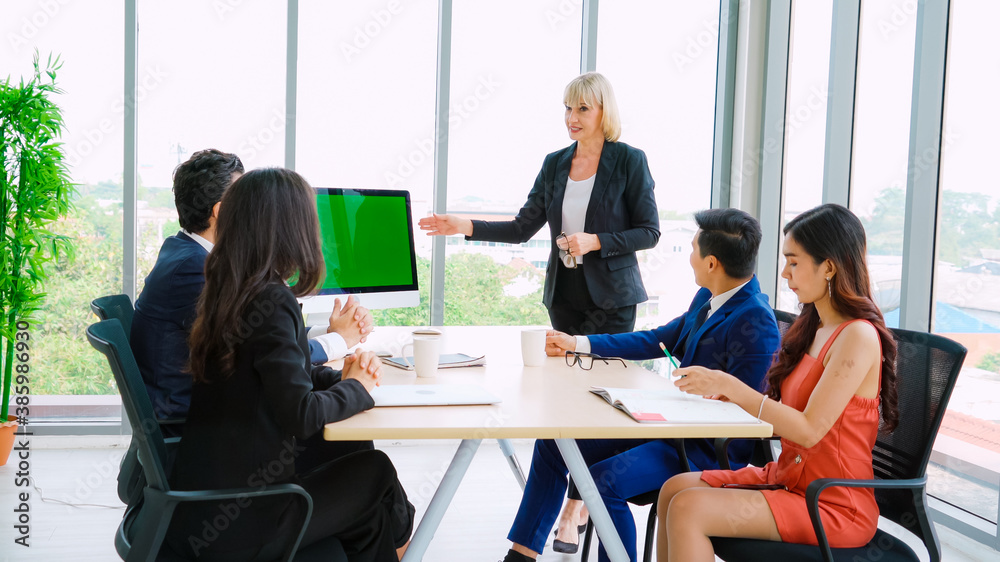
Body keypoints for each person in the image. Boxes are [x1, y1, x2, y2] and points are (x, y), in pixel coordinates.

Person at [419, 72, 660, 550]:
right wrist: (462, 224)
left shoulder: (629, 161)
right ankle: (567, 510)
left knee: (594, 410)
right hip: (566, 300)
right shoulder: (554, 164)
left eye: (582, 109)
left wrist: (596, 241)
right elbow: (522, 226)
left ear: (603, 113)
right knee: (560, 411)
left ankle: (574, 510)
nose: (572, 118)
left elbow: (649, 231)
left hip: (613, 306)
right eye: (567, 109)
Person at [500, 208, 781, 562]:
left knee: (604, 482)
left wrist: (698, 396)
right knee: (554, 444)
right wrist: (578, 343)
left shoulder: (756, 319)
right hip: (671, 426)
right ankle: (521, 555)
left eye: (693, 249)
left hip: (704, 449)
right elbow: (657, 339)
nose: (689, 257)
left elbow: (749, 413)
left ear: (711, 263)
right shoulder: (710, 298)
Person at [166, 168, 414, 561]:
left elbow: (275, 374)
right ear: (291, 228)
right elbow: (301, 415)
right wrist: (358, 388)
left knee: (367, 510)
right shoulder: (272, 300)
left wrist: (344, 377)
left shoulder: (231, 287)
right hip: (245, 519)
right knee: (376, 470)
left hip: (206, 504)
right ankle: (403, 544)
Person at [656, 203, 899, 562]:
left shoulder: (857, 336)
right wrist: (729, 396)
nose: (785, 273)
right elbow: (787, 415)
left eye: (794, 261)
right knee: (673, 489)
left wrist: (736, 388)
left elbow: (810, 430)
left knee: (689, 507)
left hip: (832, 503)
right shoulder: (812, 328)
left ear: (829, 267)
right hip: (791, 479)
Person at [131, 149, 373, 432]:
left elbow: (262, 341)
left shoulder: (186, 253)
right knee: (357, 450)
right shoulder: (196, 269)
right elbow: (259, 352)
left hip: (215, 414)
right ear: (223, 211)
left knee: (355, 446)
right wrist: (339, 340)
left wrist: (330, 334)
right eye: (245, 200)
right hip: (197, 426)